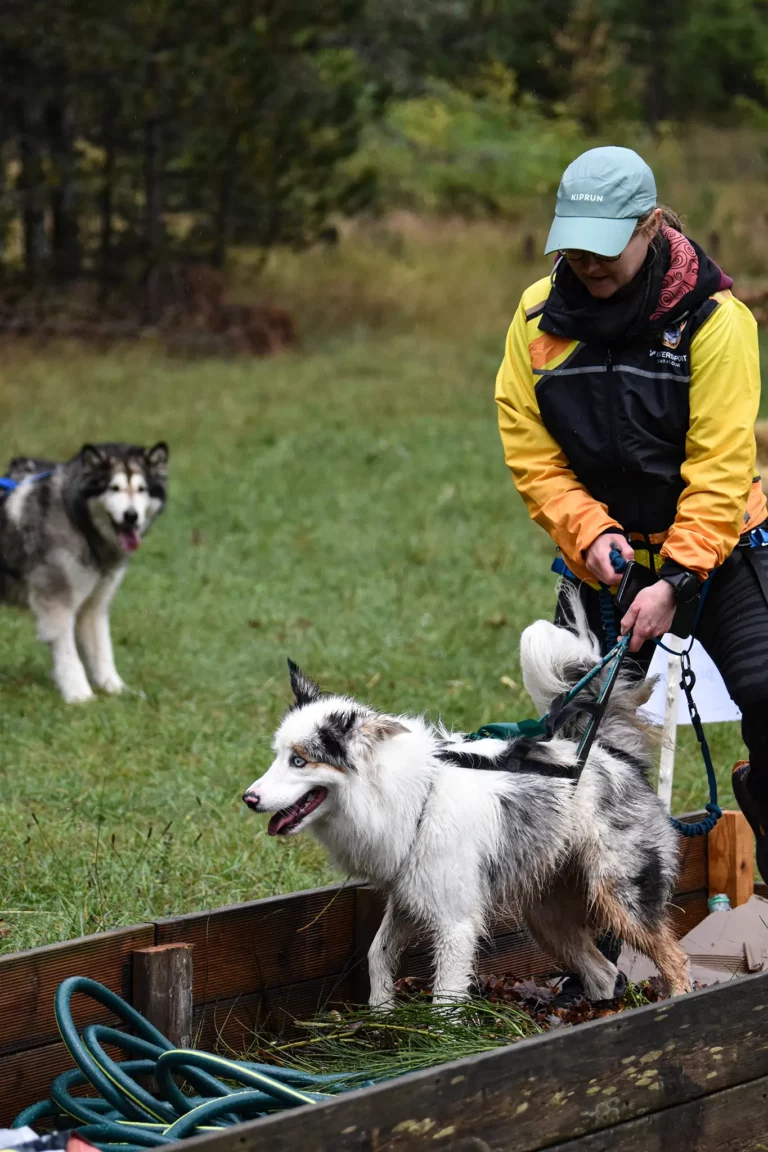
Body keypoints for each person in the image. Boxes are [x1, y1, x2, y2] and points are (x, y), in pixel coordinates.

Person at [495, 145, 768, 905]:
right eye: (574, 248)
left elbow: (718, 467)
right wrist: (590, 535)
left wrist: (676, 579)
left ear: (651, 225)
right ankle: (578, 924)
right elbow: (531, 450)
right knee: (577, 740)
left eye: (605, 249)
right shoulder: (535, 321)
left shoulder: (716, 321)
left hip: (722, 551)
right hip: (606, 559)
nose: (587, 263)